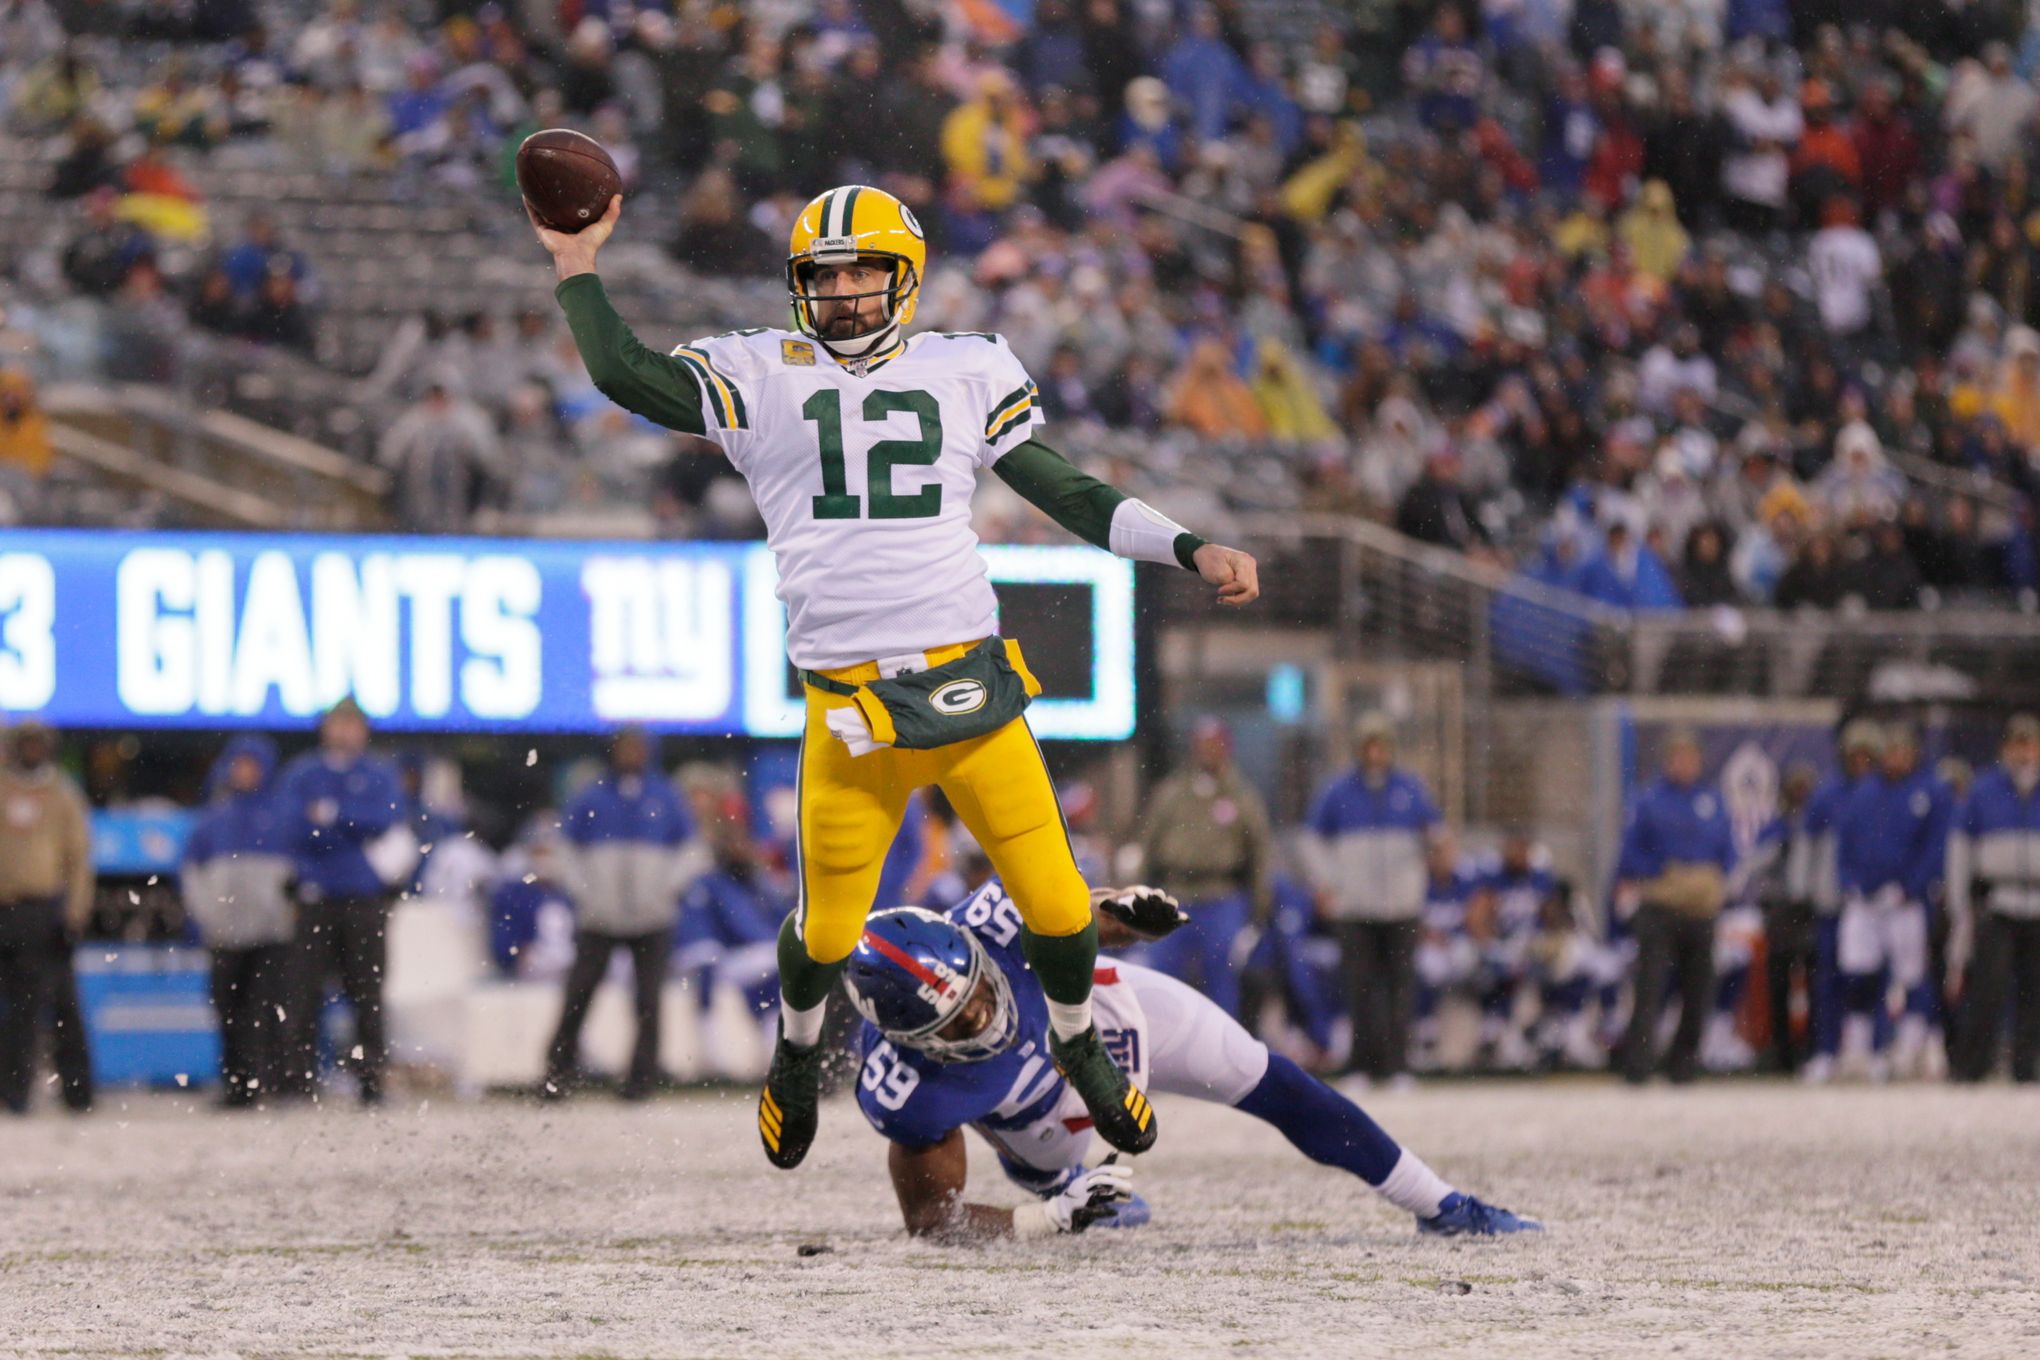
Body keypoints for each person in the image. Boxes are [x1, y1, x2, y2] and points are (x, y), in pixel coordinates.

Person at [531, 183, 1260, 1170]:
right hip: (852, 706)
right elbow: (626, 375)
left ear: (903, 279)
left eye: (859, 270)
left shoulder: (965, 368)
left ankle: (1079, 1040)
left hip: (970, 688)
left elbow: (1065, 490)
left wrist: (1186, 544)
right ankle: (794, 1059)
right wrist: (576, 262)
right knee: (826, 927)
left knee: (1054, 902)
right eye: (821, 275)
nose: (839, 291)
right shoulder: (763, 371)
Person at [849, 879, 1538, 1241]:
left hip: (1111, 1015)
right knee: (1066, 1177)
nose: (983, 1015)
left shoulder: (992, 922)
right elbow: (935, 1224)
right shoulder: (909, 1090)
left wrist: (1128, 911)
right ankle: (1059, 1189)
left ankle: (1441, 1204)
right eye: (958, 1019)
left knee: (1271, 1078)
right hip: (1039, 1124)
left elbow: (1086, 916)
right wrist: (1044, 1223)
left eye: (978, 991)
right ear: (912, 1039)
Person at [547, 727, 695, 1101]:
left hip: (652, 917)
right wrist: (587, 894)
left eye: (637, 748)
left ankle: (640, 1082)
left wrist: (664, 891)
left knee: (648, 1001)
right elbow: (565, 850)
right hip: (600, 917)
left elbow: (692, 851)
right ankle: (557, 1075)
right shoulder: (592, 796)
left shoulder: (666, 796)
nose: (630, 755)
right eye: (624, 748)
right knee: (579, 994)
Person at [274, 697, 410, 1106]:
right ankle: (297, 1082)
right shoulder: (302, 773)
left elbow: (385, 821)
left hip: (363, 899)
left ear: (363, 731)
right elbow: (292, 827)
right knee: (302, 992)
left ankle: (371, 1081)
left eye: (351, 725)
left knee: (367, 992)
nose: (344, 733)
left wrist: (332, 816)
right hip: (315, 897)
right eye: (338, 724)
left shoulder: (378, 774)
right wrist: (349, 827)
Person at [1301, 713, 1441, 1084]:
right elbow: (1311, 841)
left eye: (1381, 745)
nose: (1375, 752)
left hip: (1401, 906)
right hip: (1355, 907)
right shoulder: (1338, 791)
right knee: (1359, 987)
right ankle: (1361, 1064)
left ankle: (1398, 1066)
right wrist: (1330, 882)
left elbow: (1435, 835)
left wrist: (1424, 869)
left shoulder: (1410, 789)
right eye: (1369, 745)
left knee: (1400, 987)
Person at [1615, 730, 1736, 1085]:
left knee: (1699, 990)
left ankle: (1683, 1065)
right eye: (1678, 757)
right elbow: (1630, 853)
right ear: (1668, 760)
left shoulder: (1713, 801)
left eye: (1690, 758)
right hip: (1660, 908)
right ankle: (1638, 1066)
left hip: (1701, 911)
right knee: (1650, 988)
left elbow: (1728, 850)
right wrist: (1664, 872)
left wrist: (1711, 878)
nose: (1685, 765)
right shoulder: (1648, 800)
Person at [180, 735, 294, 1108]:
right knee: (228, 1009)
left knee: (268, 1009)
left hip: (270, 934)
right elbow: (191, 872)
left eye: (252, 765)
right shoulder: (213, 819)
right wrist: (205, 917)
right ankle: (238, 1085)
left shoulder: (282, 815)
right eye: (238, 764)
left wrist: (285, 911)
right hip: (225, 934)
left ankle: (273, 1081)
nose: (244, 773)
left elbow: (301, 872)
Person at [1832, 723, 1950, 1081]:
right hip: (1864, 900)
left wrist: (1911, 887)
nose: (1896, 759)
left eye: (1903, 751)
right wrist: (1849, 881)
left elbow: (1935, 847)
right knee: (1857, 973)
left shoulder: (1929, 792)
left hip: (1905, 901)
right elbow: (1845, 842)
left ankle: (1910, 1050)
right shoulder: (1865, 792)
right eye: (1892, 751)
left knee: (1912, 975)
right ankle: (1856, 1049)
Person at [1136, 717, 1274, 1018]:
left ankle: (1222, 1048)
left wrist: (1259, 908)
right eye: (1203, 745)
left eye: (1215, 745)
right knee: (1162, 973)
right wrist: (1139, 896)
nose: (1208, 752)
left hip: (1221, 893)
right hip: (1175, 894)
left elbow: (1260, 853)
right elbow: (1149, 845)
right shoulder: (1171, 793)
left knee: (1221, 974)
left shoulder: (1241, 796)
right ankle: (1162, 1042)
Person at [0, 720, 94, 1115]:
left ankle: (77, 1093)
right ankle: (13, 1092)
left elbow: (78, 858)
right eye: (27, 743)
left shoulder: (62, 793)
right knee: (13, 1010)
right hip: (5, 909)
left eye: (39, 743)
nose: (33, 750)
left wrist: (74, 913)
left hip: (45, 911)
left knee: (61, 1005)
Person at [1946, 714, 2040, 1083]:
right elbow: (1959, 850)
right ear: (2005, 748)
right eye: (2017, 744)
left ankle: (2026, 1067)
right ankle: (1973, 1067)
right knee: (1989, 987)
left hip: (2037, 903)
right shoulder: (1984, 790)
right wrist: (1959, 904)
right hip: (1998, 900)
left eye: (2030, 743)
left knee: (2035, 991)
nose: (2024, 752)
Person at [1797, 720, 1885, 1083]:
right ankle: (1826, 1050)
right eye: (1856, 755)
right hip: (1834, 901)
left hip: (1873, 901)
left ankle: (1873, 1049)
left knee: (1872, 978)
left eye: (1868, 756)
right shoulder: (1827, 793)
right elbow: (1808, 844)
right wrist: (1803, 890)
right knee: (1828, 978)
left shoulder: (1884, 794)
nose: (1861, 762)